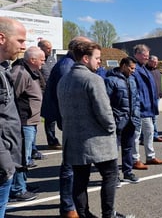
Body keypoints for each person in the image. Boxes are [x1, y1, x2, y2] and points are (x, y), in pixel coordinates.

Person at [57, 41, 132, 218]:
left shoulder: (64, 80)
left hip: (73, 139)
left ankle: (84, 214)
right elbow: (104, 112)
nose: (100, 62)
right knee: (110, 176)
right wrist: (112, 128)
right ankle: (108, 214)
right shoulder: (94, 79)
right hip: (98, 140)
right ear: (85, 58)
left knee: (80, 181)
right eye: (97, 58)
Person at [41, 36, 91, 218]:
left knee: (74, 165)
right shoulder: (66, 67)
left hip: (71, 120)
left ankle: (72, 205)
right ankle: (68, 207)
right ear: (80, 48)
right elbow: (67, 98)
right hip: (70, 121)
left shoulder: (70, 64)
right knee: (70, 166)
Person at [9, 46, 45, 202]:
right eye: (42, 60)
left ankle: (21, 184)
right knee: (22, 156)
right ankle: (18, 189)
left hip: (30, 121)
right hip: (23, 122)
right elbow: (11, 97)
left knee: (26, 155)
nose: (44, 63)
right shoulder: (20, 73)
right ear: (33, 60)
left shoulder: (31, 72)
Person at [0, 17, 26, 216]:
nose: (23, 46)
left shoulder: (4, 69)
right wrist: (6, 164)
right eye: (20, 41)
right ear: (2, 38)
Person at [105, 57, 140, 184]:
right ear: (124, 66)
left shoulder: (132, 80)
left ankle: (128, 172)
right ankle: (114, 176)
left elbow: (136, 99)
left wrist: (136, 114)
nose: (133, 71)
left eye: (134, 68)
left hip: (131, 120)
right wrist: (111, 118)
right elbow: (106, 102)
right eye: (131, 68)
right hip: (117, 120)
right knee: (114, 149)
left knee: (128, 147)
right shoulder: (110, 80)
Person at [131, 44, 162, 170]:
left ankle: (150, 157)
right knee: (136, 134)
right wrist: (138, 104)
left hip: (148, 107)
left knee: (149, 131)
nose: (147, 58)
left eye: (147, 55)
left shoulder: (144, 68)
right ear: (137, 54)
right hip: (138, 108)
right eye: (145, 55)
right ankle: (135, 160)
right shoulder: (133, 68)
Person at [38, 39, 62, 151]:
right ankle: (51, 140)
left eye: (50, 47)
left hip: (54, 92)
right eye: (48, 48)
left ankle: (54, 139)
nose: (50, 50)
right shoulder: (37, 60)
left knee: (54, 117)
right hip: (42, 94)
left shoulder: (52, 59)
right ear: (41, 48)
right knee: (48, 118)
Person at [146, 55, 162, 142]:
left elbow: (158, 84)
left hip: (156, 97)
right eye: (154, 62)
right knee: (146, 118)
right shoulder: (145, 71)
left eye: (157, 62)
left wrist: (160, 93)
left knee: (155, 118)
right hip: (148, 97)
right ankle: (145, 137)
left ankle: (155, 135)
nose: (156, 63)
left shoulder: (157, 71)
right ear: (149, 61)